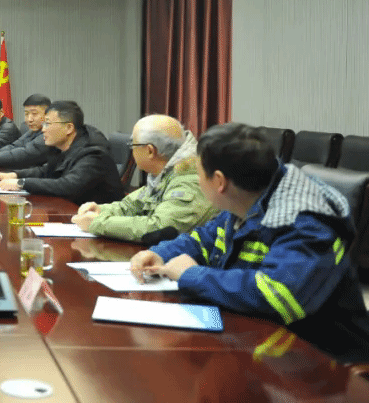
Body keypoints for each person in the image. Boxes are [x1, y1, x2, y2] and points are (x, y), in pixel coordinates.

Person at [130, 123, 369, 360]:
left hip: (322, 359)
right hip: (263, 343)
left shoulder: (306, 219)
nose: (197, 180)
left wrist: (193, 275)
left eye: (198, 172)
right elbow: (205, 238)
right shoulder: (249, 196)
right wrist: (162, 253)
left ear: (219, 182)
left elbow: (278, 295)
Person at [72, 114, 218, 243]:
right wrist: (100, 210)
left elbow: (158, 228)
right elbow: (131, 206)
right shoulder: (166, 171)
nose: (132, 150)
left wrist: (98, 223)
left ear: (150, 151)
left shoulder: (190, 179)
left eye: (133, 145)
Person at [0, 100, 122, 204]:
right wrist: (14, 175)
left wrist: (21, 183)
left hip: (96, 220)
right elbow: (46, 171)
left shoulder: (93, 153)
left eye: (48, 124)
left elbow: (68, 185)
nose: (43, 129)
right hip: (71, 210)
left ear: (69, 128)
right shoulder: (61, 146)